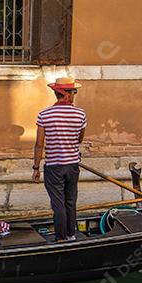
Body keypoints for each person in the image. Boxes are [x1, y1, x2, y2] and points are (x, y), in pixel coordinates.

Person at [32, 76, 87, 241]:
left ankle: (61, 238)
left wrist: (36, 168)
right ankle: (71, 235)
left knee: (58, 203)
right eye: (74, 91)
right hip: (72, 165)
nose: (75, 94)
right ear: (68, 94)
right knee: (70, 201)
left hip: (54, 166)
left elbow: (39, 144)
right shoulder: (80, 114)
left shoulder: (44, 115)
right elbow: (79, 139)